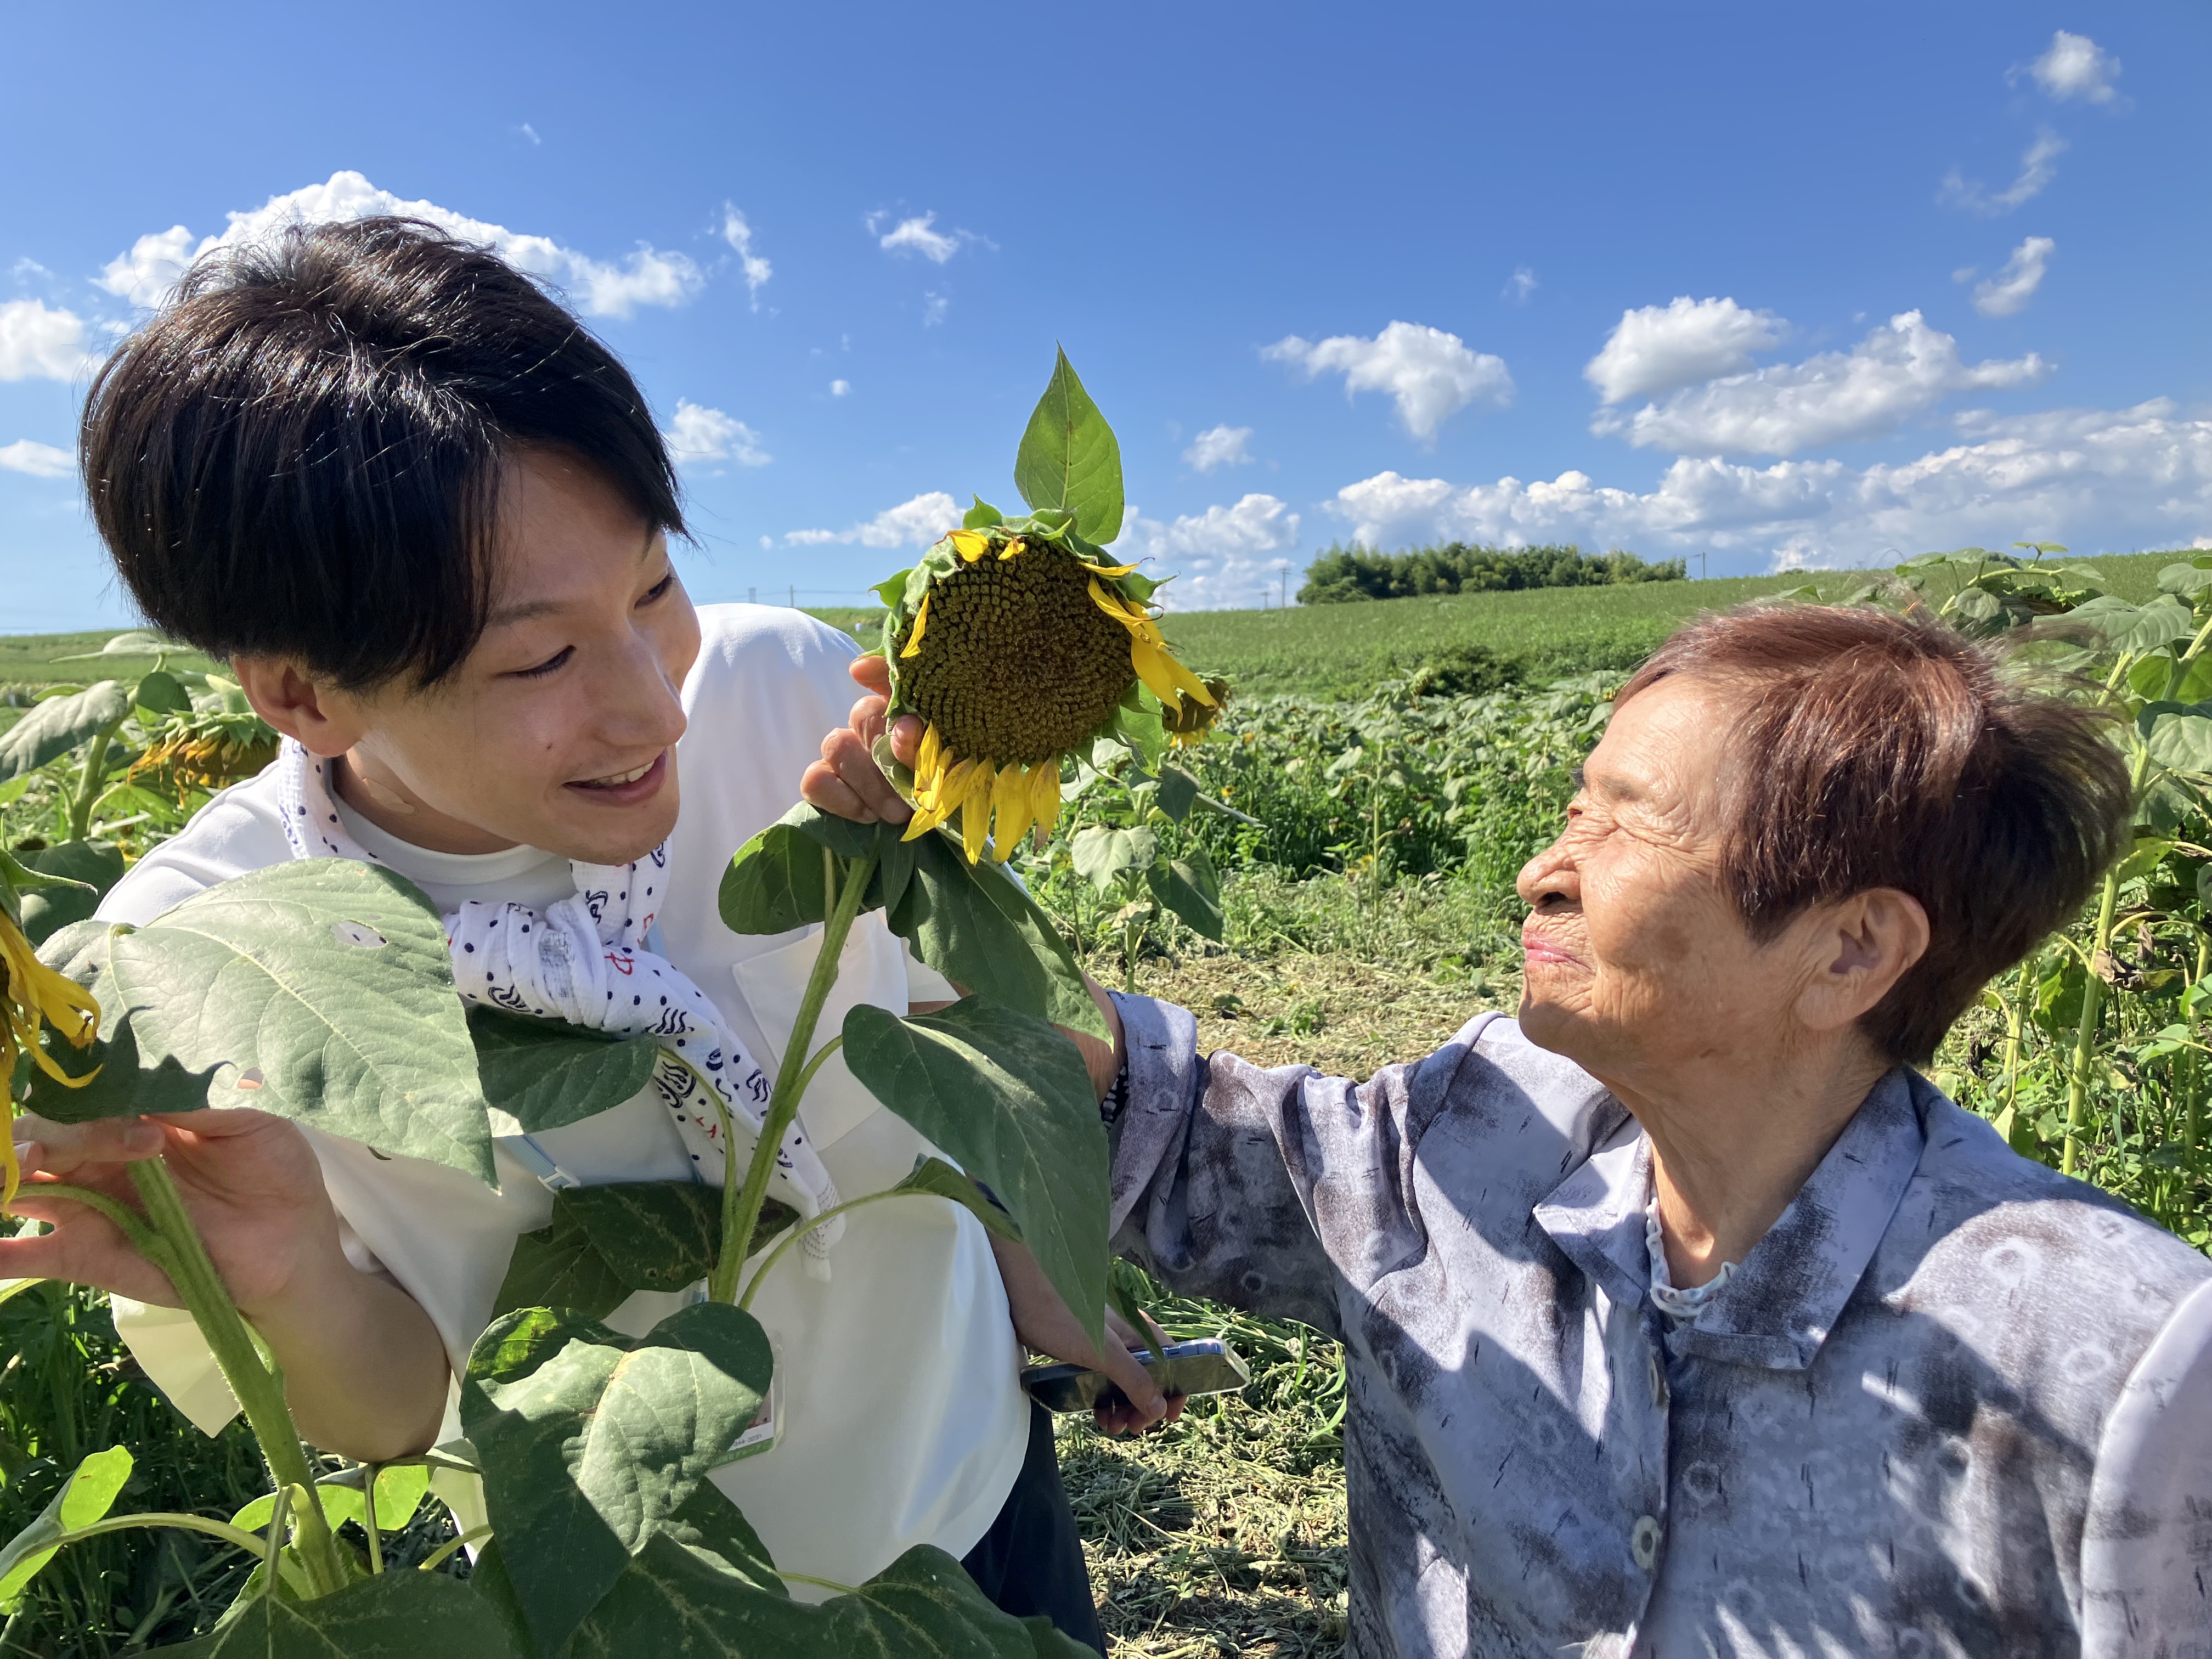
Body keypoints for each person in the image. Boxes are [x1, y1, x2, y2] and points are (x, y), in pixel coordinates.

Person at [2, 217, 1167, 1649]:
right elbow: (393, 1411)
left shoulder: (789, 693)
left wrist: (1042, 1267)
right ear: (302, 694)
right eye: (543, 656)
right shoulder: (198, 961)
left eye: (655, 588)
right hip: (632, 1606)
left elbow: (943, 1026)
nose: (657, 707)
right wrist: (298, 1277)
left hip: (968, 1481)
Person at [808, 602, 2212, 1656]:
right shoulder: (1492, 1124)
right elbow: (1178, 1133)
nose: (1544, 869)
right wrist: (937, 847)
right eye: (1570, 808)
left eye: (1625, 826)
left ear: (1852, 950)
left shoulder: (2115, 1369)